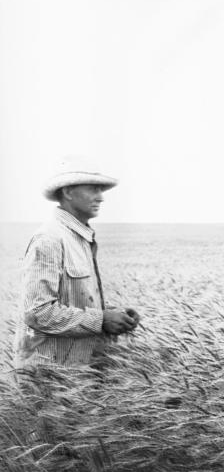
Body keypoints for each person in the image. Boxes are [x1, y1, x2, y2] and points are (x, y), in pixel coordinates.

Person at [11, 158, 141, 373]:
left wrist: (114, 316)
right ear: (68, 192)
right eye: (94, 189)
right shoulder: (49, 239)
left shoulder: (79, 237)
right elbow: (37, 313)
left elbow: (71, 300)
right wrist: (100, 320)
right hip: (49, 376)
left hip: (75, 371)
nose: (101, 197)